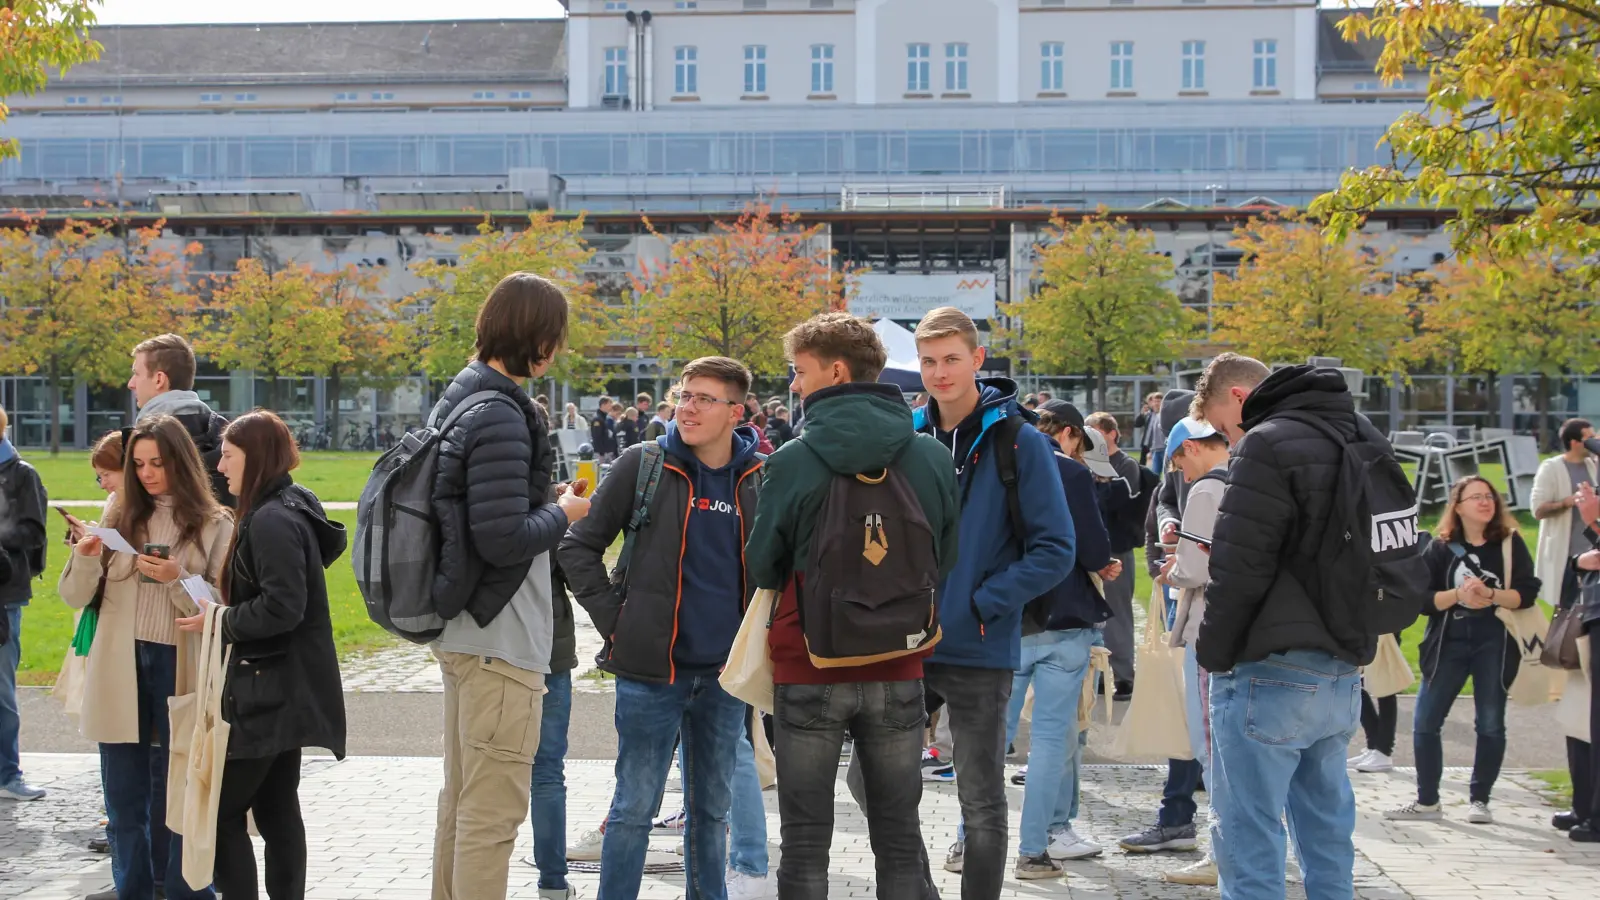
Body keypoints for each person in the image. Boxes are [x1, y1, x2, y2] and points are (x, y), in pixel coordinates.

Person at [743, 312, 959, 898]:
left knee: (806, 840)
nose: (793, 384)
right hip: (899, 662)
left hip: (809, 660)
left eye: (799, 371)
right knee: (897, 836)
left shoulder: (791, 459)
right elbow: (946, 557)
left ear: (835, 371)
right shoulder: (932, 456)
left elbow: (761, 564)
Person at [559, 356, 765, 900]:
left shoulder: (756, 478)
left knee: (709, 812)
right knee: (633, 809)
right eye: (684, 394)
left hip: (724, 679)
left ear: (735, 411)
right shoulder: (644, 463)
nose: (688, 407)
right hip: (652, 672)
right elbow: (578, 547)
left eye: (704, 398)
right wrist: (617, 624)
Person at [1199, 355, 1394, 900]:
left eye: (1220, 426)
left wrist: (1214, 654)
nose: (1226, 438)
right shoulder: (1359, 433)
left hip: (1269, 664)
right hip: (1341, 663)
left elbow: (1239, 565)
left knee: (1249, 836)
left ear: (1239, 398)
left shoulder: (1267, 442)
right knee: (1328, 835)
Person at [428, 272, 591, 900]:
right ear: (539, 339)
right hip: (501, 636)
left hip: (467, 628)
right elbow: (501, 540)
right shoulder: (500, 411)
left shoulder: (465, 396)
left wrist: (541, 500)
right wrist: (565, 516)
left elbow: (482, 515)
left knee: (463, 801)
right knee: (491, 815)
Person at [910, 307, 1074, 897]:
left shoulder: (1018, 440)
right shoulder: (909, 437)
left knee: (979, 800)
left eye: (952, 359)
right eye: (929, 361)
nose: (940, 372)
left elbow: (1056, 548)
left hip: (979, 647)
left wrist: (982, 604)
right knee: (869, 780)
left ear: (977, 360)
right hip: (905, 644)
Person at [60, 415, 234, 900]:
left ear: (180, 461)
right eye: (138, 464)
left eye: (157, 462)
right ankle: (131, 891)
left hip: (177, 663)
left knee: (182, 789)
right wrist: (88, 554)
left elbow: (222, 610)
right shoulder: (118, 513)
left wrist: (176, 579)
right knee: (123, 798)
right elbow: (74, 597)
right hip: (118, 665)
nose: (148, 473)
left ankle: (185, 891)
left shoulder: (215, 522)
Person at [186, 410, 347, 900]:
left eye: (229, 457)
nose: (221, 467)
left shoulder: (273, 518)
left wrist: (220, 619)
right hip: (283, 686)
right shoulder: (282, 506)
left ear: (253, 459)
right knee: (278, 811)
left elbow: (283, 606)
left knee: (222, 814)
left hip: (267, 689)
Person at [1003, 399, 1117, 878]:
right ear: (1065, 435)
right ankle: (1033, 849)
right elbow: (1092, 547)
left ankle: (968, 843)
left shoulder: (991, 469)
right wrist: (1100, 563)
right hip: (1065, 616)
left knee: (991, 739)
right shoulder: (1070, 475)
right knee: (1051, 740)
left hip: (1004, 616)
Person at [1385, 476, 1540, 825]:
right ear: (1458, 506)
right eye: (1476, 497)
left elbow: (1526, 593)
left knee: (1490, 723)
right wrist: (1458, 595)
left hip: (1494, 640)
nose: (1486, 503)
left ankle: (1480, 799)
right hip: (1449, 639)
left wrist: (1491, 596)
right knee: (1426, 721)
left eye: (1490, 496)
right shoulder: (1441, 547)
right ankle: (1427, 801)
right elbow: (1422, 600)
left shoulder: (1510, 544)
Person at [1123, 390, 1210, 861]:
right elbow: (1160, 508)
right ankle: (1179, 815)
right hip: (1186, 603)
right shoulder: (1177, 479)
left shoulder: (1228, 476)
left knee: (1198, 720)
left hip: (1213, 611)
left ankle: (1182, 817)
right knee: (1192, 718)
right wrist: (1168, 536)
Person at [1151, 416, 1231, 888]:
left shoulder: (1205, 490)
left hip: (1208, 627)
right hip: (1249, 627)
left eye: (1178, 460)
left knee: (1210, 744)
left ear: (1193, 448)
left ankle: (1223, 853)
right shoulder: (1252, 476)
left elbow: (1196, 565)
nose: (1180, 471)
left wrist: (1171, 572)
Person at [524, 512, 583, 899]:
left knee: (483, 772)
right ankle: (552, 884)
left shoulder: (475, 496)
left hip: (489, 650)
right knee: (546, 771)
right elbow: (578, 574)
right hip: (547, 651)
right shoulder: (552, 513)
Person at [0, 401, 48, 803]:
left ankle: (8, 774)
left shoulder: (20, 475)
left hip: (5, 593)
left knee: (1, 689)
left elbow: (32, 532)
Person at [1085, 411, 1149, 700]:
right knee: (1091, 615)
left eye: (1096, 433)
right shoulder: (1086, 464)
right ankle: (1099, 674)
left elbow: (1119, 500)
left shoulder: (1126, 465)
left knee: (1118, 614)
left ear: (1111, 434)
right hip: (1093, 545)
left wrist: (1100, 482)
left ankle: (1124, 677)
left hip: (1117, 548)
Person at [128, 333, 232, 507]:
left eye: (137, 374)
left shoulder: (147, 439)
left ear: (159, 379)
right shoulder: (224, 435)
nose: (131, 383)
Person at [1532, 419, 1597, 611]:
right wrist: (1567, 502)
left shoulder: (1593, 465)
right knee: (1567, 618)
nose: (1595, 442)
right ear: (1575, 442)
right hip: (1567, 557)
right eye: (1590, 438)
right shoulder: (1551, 467)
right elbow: (1537, 510)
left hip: (1594, 556)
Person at [1135, 392, 1166, 470]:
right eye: (1154, 401)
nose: (1156, 404)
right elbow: (1137, 424)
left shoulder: (1163, 414)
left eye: (1158, 401)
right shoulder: (1149, 415)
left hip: (1161, 447)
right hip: (1147, 445)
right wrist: (1142, 413)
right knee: (1145, 468)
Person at [590, 396, 619, 464]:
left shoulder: (605, 417)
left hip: (608, 452)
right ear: (603, 405)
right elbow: (597, 436)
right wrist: (601, 453)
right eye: (609, 405)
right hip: (601, 453)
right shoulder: (597, 419)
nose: (611, 407)